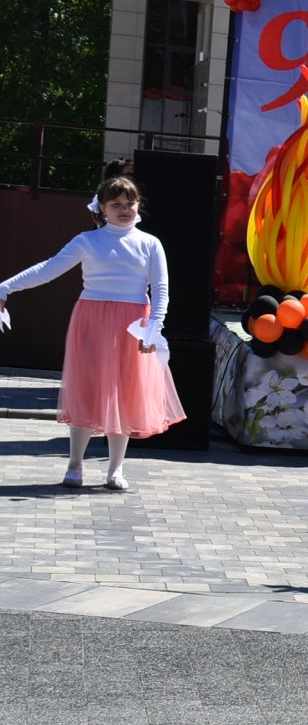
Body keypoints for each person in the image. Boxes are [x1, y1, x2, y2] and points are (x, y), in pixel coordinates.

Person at [0, 173, 185, 489]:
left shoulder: (150, 243)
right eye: (116, 204)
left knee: (127, 393)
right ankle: (75, 466)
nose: (124, 209)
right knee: (86, 389)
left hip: (132, 325)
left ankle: (116, 470)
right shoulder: (87, 241)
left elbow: (162, 290)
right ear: (102, 207)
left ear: (138, 205)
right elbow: (48, 269)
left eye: (130, 203)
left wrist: (154, 329)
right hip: (92, 319)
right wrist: (7, 286)